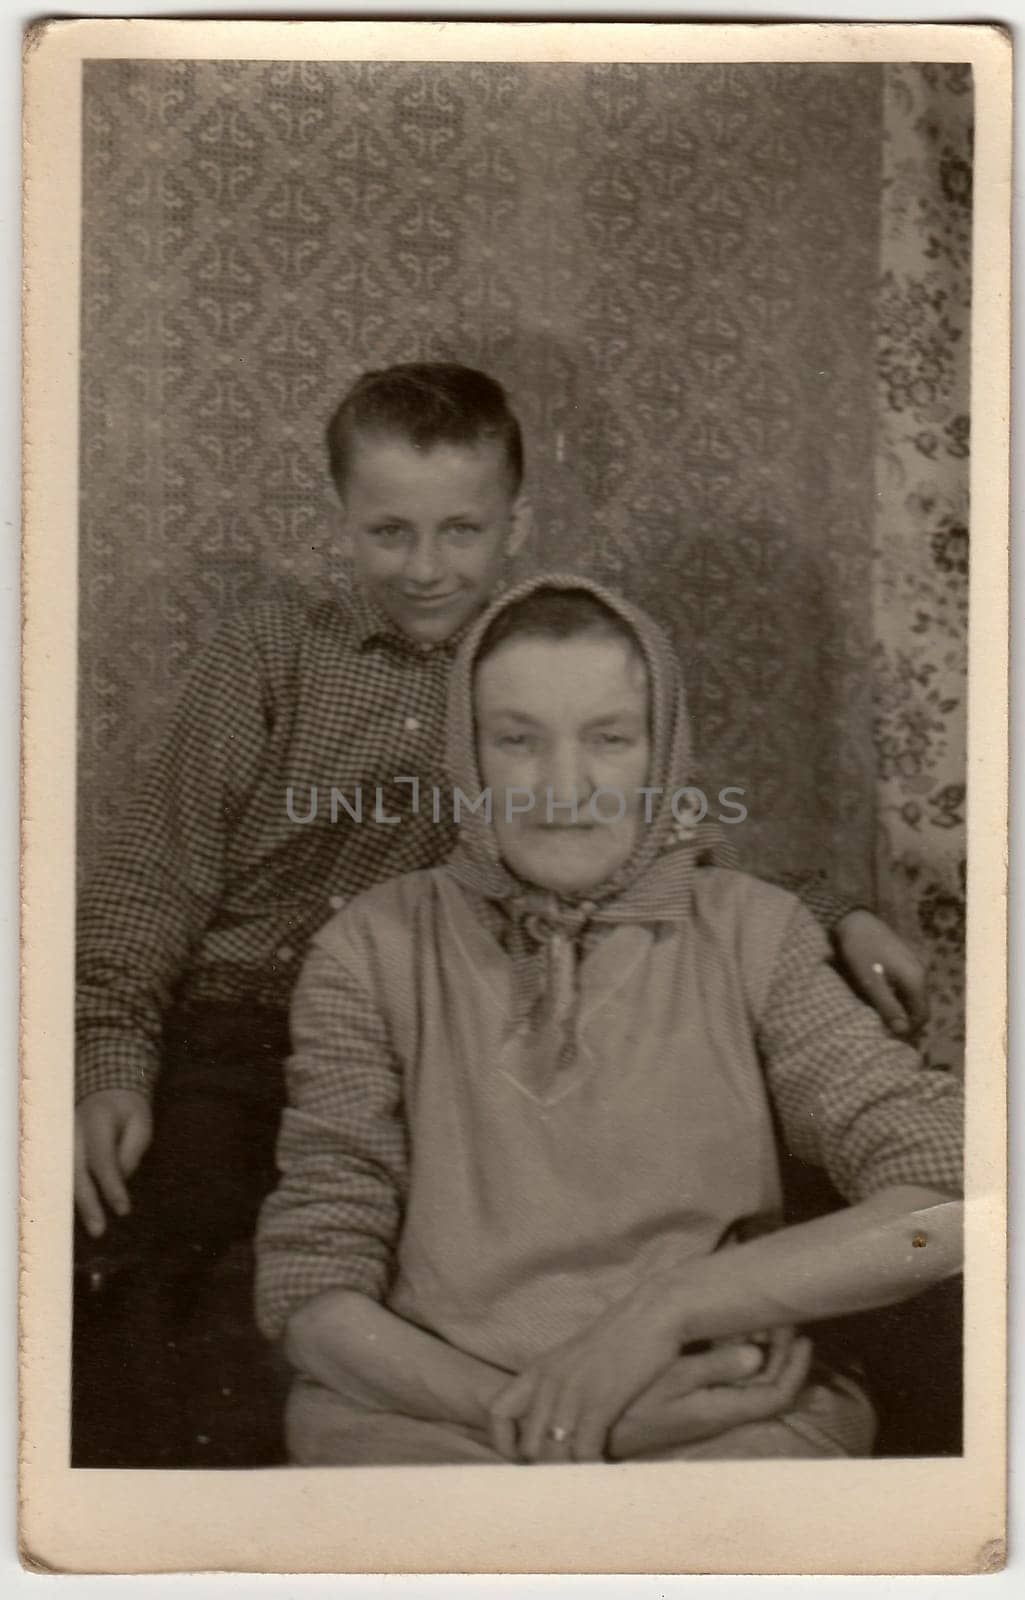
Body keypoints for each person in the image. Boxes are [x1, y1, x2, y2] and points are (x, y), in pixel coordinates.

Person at [75, 365, 930, 1464]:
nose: (425, 568)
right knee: (166, 1274)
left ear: (513, 524)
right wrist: (109, 1051)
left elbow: (662, 829)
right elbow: (156, 865)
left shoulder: (546, 658)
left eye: (459, 530)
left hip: (458, 1024)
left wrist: (830, 914)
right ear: (339, 519)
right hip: (243, 1021)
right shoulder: (269, 654)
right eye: (388, 531)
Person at [255, 577, 963, 1466]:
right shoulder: (368, 947)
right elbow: (314, 1292)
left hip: (713, 1411)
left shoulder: (756, 931)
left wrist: (664, 1311)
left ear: (661, 751)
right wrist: (552, 1417)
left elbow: (950, 1203)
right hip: (431, 1417)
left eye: (609, 739)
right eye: (517, 741)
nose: (563, 787)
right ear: (465, 755)